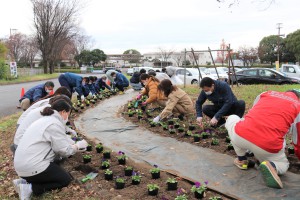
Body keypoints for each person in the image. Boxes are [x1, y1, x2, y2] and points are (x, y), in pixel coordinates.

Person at [13, 100, 88, 199]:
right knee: (65, 179)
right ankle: (30, 188)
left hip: (21, 164)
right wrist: (78, 146)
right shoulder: (54, 124)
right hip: (31, 166)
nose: (68, 117)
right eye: (68, 114)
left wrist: (70, 140)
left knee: (57, 164)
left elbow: (57, 138)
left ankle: (23, 181)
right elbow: (64, 151)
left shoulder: (44, 120)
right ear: (63, 112)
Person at [225, 90, 300, 189]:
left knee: (232, 118)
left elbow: (254, 113)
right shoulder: (298, 106)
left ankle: (242, 160)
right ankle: (271, 165)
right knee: (283, 164)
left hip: (241, 135)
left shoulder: (266, 93)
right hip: (267, 145)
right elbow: (297, 139)